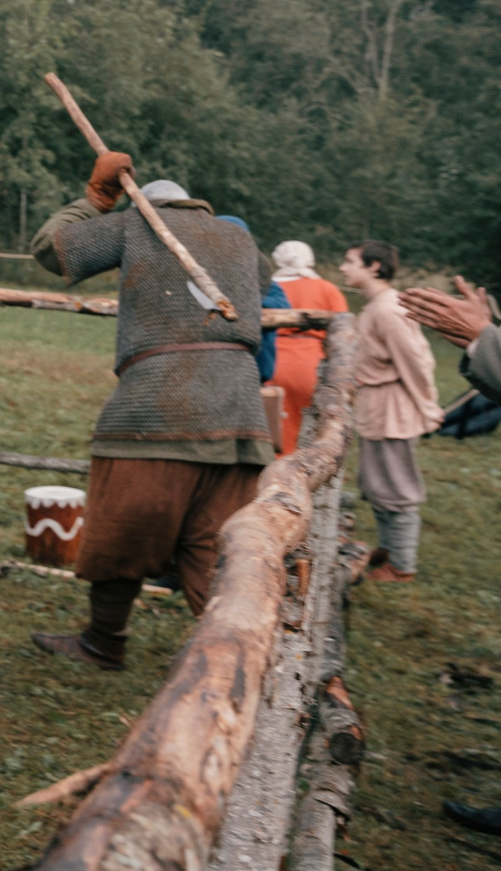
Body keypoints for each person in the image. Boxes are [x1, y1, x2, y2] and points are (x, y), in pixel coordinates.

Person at [27, 165, 271, 670]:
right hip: (242, 415)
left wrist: (95, 200)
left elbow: (50, 247)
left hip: (159, 408)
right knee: (216, 545)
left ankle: (103, 643)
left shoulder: (137, 224)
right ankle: (243, 662)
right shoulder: (238, 239)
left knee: (123, 529)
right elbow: (261, 284)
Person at [343, 239, 436, 583]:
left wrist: (427, 408)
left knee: (397, 485)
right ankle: (389, 548)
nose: (342, 267)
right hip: (376, 405)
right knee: (376, 481)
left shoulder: (387, 309)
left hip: (393, 409)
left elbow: (416, 361)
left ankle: (402, 566)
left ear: (374, 267)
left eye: (350, 261)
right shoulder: (377, 306)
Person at [269, 241, 348, 454]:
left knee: (274, 424)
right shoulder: (327, 289)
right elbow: (342, 331)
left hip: (273, 361)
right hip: (313, 364)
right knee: (311, 426)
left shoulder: (269, 287)